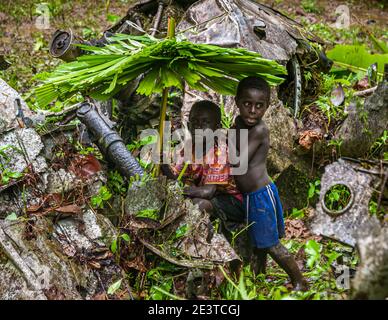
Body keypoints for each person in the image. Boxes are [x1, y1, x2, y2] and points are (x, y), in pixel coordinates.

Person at [232, 76, 308, 291]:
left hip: (260, 196)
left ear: (267, 107)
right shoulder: (240, 126)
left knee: (270, 244)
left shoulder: (259, 130)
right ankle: (260, 277)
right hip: (254, 195)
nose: (253, 111)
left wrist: (221, 142)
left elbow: (239, 162)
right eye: (247, 104)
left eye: (259, 106)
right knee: (259, 241)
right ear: (237, 102)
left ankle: (300, 280)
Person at [162, 100, 246, 244]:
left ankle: (187, 241)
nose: (199, 127)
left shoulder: (220, 152)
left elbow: (208, 192)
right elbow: (176, 178)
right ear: (188, 126)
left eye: (205, 123)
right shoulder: (189, 148)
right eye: (194, 122)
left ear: (217, 128)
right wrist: (163, 165)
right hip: (210, 195)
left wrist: (182, 190)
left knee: (198, 204)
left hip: (233, 202)